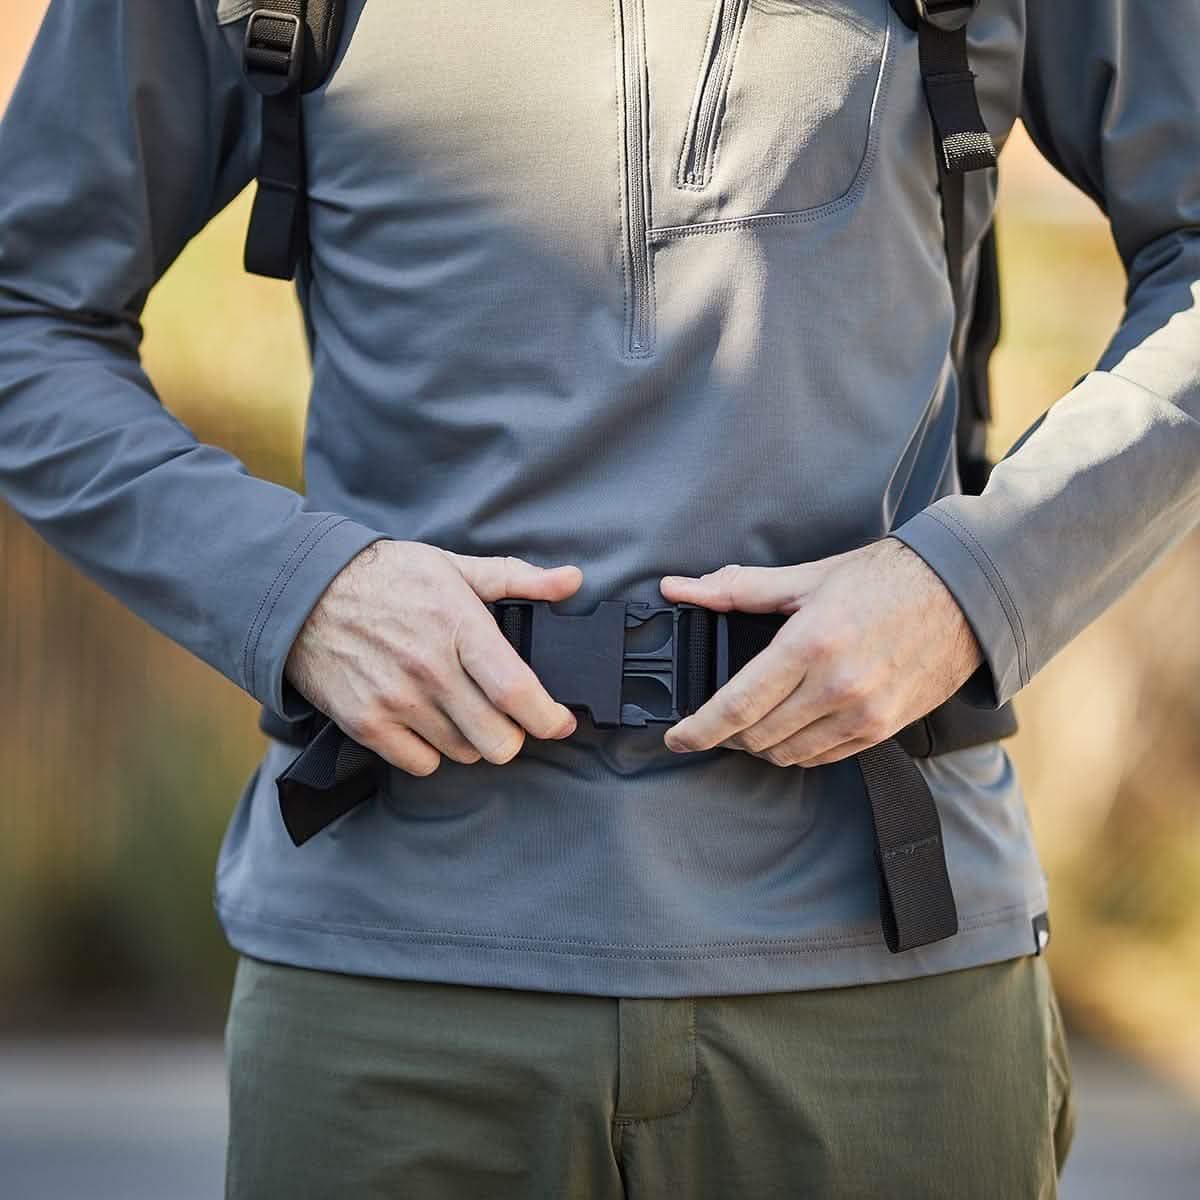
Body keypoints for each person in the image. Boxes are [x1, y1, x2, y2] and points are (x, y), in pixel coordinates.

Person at [1, 0, 1196, 1195]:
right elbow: (26, 318)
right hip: (399, 1001)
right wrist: (302, 595)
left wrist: (968, 586)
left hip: (885, 983)